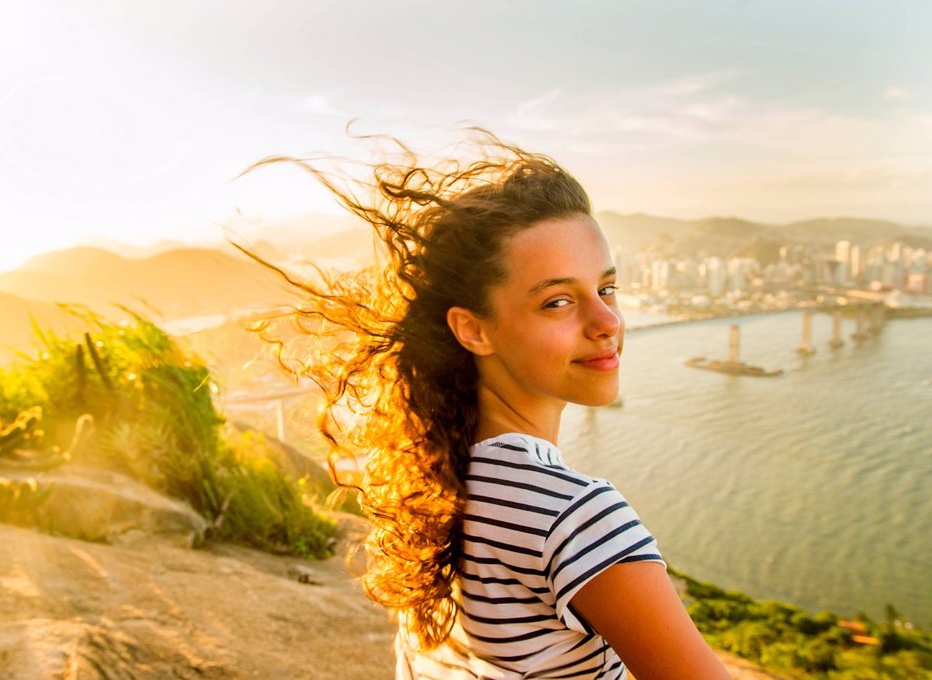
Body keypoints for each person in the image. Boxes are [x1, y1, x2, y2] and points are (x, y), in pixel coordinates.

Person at [239, 130, 731, 679]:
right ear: (472, 330)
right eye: (558, 301)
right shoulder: (575, 518)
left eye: (607, 289)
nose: (607, 323)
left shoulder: (433, 488)